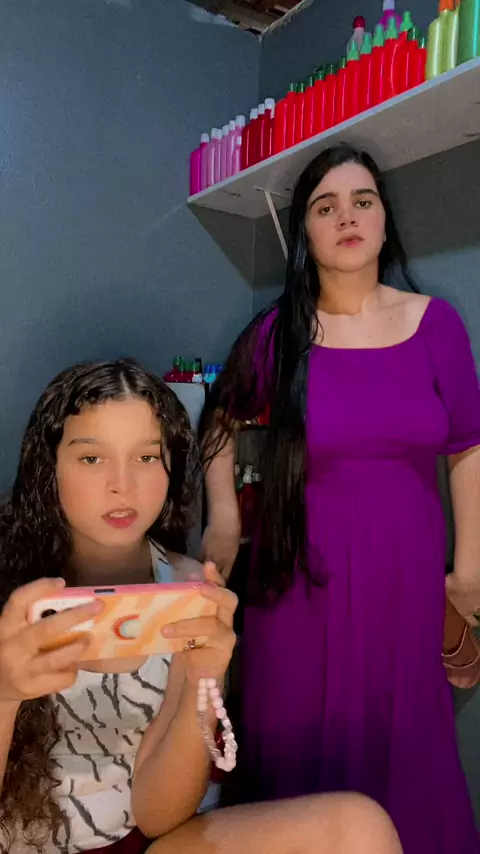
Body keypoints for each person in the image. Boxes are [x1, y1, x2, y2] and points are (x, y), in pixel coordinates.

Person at [199, 144, 480, 854]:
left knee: (406, 749)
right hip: (297, 585)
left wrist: (471, 564)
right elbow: (217, 423)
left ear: (384, 221)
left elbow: (468, 447)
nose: (347, 217)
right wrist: (224, 518)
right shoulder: (279, 334)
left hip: (404, 585)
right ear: (306, 231)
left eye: (362, 201)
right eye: (326, 207)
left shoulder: (437, 325)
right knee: (298, 757)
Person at [0, 358, 402, 854]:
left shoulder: (190, 589)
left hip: (143, 838)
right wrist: (4, 693)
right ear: (49, 467)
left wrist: (200, 681)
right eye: (91, 458)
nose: (122, 483)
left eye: (147, 457)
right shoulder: (10, 593)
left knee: (360, 828)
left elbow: (158, 814)